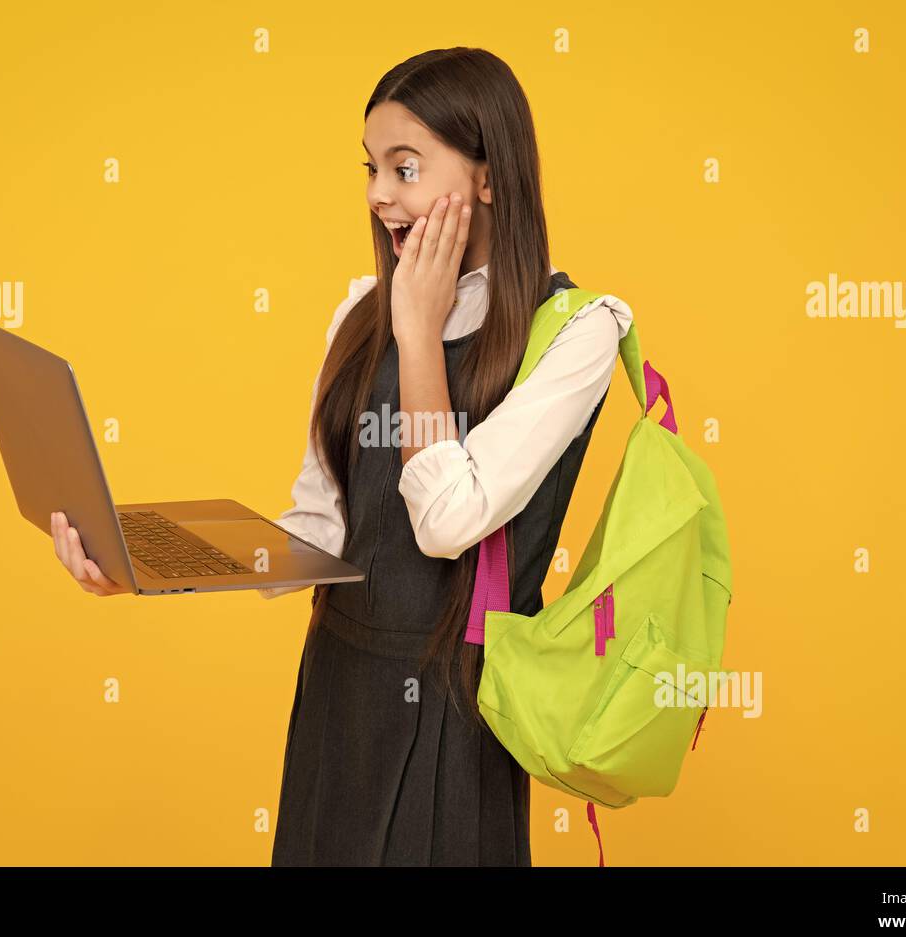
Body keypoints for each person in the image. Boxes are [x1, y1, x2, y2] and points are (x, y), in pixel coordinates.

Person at [51, 47, 632, 866]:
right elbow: (315, 531)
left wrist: (419, 331)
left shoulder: (576, 333)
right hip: (337, 693)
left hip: (458, 712)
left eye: (405, 167)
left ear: (491, 177)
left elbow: (446, 523)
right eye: (371, 169)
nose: (377, 195)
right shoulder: (361, 311)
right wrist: (142, 560)